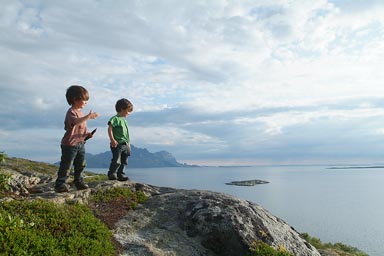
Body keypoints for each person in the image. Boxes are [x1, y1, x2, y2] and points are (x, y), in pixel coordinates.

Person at [54, 85, 99, 193]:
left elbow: (81, 128)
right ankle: (60, 183)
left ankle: (78, 181)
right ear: (75, 99)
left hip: (80, 143)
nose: (86, 102)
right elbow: (75, 122)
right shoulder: (71, 112)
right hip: (70, 144)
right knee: (67, 164)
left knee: (81, 164)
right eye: (84, 100)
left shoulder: (80, 113)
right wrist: (88, 116)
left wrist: (87, 134)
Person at [107, 98, 133, 181]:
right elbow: (110, 128)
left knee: (124, 161)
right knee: (116, 160)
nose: (128, 113)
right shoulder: (115, 119)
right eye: (128, 111)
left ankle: (121, 174)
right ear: (122, 109)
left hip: (125, 144)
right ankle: (112, 173)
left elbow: (126, 134)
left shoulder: (124, 120)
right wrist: (112, 140)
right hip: (117, 144)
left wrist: (128, 144)